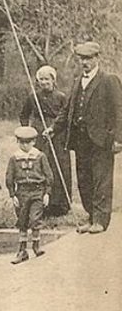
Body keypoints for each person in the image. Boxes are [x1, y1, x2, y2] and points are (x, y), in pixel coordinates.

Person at [50, 41, 122, 234]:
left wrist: (118, 139)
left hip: (101, 140)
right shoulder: (76, 82)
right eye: (81, 59)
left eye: (88, 58)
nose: (84, 62)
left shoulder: (109, 80)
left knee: (101, 180)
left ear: (97, 58)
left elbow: (118, 110)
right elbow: (67, 111)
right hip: (80, 141)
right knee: (84, 180)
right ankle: (91, 217)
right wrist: (53, 129)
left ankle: (100, 220)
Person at [19, 65, 71, 217]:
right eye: (41, 79)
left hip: (57, 136)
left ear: (53, 80)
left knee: (58, 167)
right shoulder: (33, 96)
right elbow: (23, 114)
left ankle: (60, 204)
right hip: (39, 136)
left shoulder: (61, 97)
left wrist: (57, 129)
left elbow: (67, 117)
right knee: (40, 167)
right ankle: (40, 203)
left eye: (46, 79)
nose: (43, 82)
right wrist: (27, 132)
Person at [6, 126, 53, 264]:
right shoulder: (15, 158)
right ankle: (22, 250)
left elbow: (49, 175)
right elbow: (9, 176)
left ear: (34, 142)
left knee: (35, 218)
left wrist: (47, 193)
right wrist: (12, 194)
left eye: (28, 142)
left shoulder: (40, 156)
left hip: (37, 191)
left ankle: (36, 246)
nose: (24, 145)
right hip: (22, 192)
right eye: (21, 142)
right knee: (22, 220)